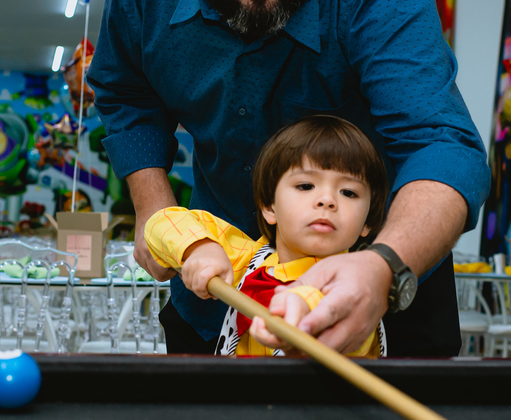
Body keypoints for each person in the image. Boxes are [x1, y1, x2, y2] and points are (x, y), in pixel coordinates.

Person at [88, 0, 489, 357]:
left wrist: (382, 266)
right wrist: (156, 211)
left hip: (380, 283)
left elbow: (441, 145)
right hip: (219, 283)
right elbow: (127, 94)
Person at [145, 115, 387, 356]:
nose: (327, 200)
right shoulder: (249, 260)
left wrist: (302, 306)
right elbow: (161, 222)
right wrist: (198, 248)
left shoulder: (360, 294)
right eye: (305, 186)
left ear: (368, 221)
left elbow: (334, 309)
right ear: (270, 206)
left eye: (348, 192)